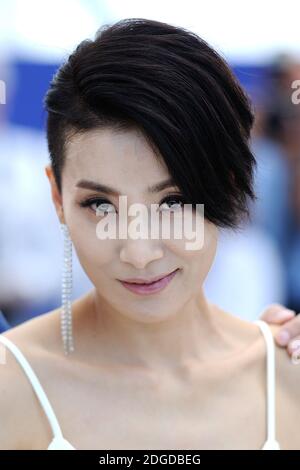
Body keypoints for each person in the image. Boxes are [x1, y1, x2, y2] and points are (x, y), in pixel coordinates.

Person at [0, 18, 299, 450]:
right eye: (100, 206)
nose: (138, 252)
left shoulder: (288, 378)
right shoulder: (11, 387)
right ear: (57, 196)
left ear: (228, 184)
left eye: (173, 203)